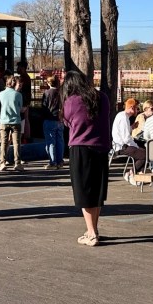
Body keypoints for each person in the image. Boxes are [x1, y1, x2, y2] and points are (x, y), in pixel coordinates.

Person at [61, 71, 111, 246]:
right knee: (97, 192)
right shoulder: (103, 97)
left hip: (81, 147)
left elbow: (67, 122)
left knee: (84, 192)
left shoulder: (71, 101)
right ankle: (93, 229)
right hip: (102, 147)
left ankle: (91, 234)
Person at [111, 98, 146, 178]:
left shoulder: (122, 116)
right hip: (122, 147)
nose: (138, 110)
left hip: (120, 146)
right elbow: (126, 138)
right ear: (132, 108)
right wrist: (136, 146)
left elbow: (123, 131)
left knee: (142, 152)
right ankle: (131, 173)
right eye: (137, 108)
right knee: (144, 155)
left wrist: (132, 127)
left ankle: (138, 174)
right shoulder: (123, 118)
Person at [0, 75, 24, 171]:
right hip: (16, 121)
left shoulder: (1, 94)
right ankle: (17, 163)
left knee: (4, 142)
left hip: (4, 120)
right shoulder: (18, 95)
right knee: (16, 143)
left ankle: (2, 163)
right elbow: (20, 107)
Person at [42, 72, 65, 169]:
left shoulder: (47, 93)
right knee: (60, 141)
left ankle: (53, 162)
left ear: (49, 83)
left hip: (49, 119)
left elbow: (44, 107)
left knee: (51, 142)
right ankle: (60, 161)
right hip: (60, 120)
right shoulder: (61, 93)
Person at [16, 60, 33, 140]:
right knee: (26, 118)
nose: (17, 69)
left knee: (24, 119)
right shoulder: (26, 77)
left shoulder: (23, 78)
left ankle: (25, 136)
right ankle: (27, 136)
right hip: (26, 101)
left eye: (18, 67)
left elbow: (20, 89)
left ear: (23, 68)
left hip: (23, 101)